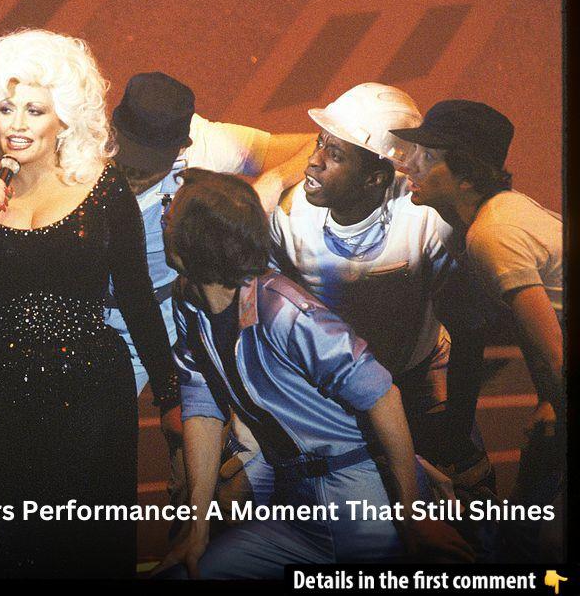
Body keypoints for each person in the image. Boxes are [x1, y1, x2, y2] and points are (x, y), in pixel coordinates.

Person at [0, 29, 179, 578]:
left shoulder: (104, 188)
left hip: (89, 395)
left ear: (65, 118)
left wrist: (171, 396)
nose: (16, 124)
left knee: (76, 553)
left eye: (34, 110)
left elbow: (136, 298)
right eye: (5, 108)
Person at [154, 169, 473, 579]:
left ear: (201, 239)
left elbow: (382, 395)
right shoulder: (189, 301)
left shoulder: (284, 312)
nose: (164, 220)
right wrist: (197, 528)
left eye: (172, 213)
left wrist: (412, 513)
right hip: (292, 498)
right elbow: (202, 408)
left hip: (360, 492)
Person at [268, 83, 494, 530]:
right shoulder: (290, 217)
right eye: (319, 144)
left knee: (470, 508)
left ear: (377, 177)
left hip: (419, 376)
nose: (312, 162)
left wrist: (456, 430)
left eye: (335, 154)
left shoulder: (427, 218)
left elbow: (469, 329)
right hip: (331, 393)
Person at [104, 70, 315, 533]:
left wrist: (270, 183)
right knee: (91, 453)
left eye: (148, 164)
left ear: (182, 147)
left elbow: (310, 145)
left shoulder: (210, 142)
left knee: (195, 446)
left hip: (175, 308)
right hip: (102, 317)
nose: (134, 173)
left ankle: (193, 535)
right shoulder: (79, 142)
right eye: (128, 156)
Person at [391, 100, 564, 562]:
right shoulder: (491, 220)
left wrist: (555, 402)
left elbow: (555, 358)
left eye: (429, 156)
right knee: (523, 531)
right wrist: (549, 402)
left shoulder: (493, 236)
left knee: (543, 542)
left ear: (466, 177)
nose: (409, 164)